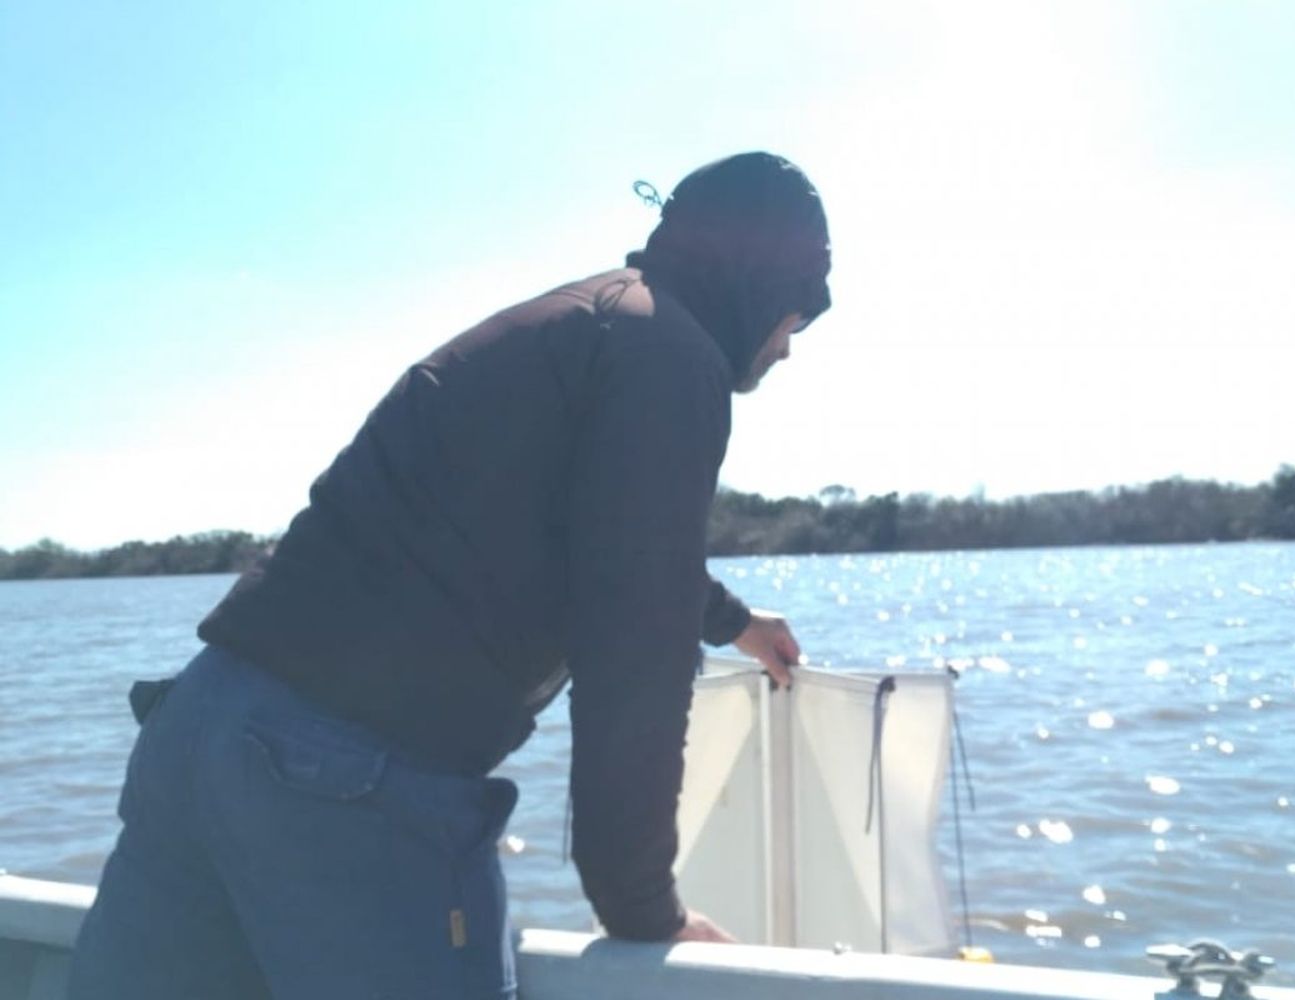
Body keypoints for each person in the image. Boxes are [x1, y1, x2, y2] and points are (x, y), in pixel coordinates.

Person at [67, 151, 833, 1000]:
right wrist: (644, 910)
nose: (789, 348)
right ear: (762, 282)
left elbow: (595, 553)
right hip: (341, 782)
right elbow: (634, 655)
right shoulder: (672, 358)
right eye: (797, 316)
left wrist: (731, 622)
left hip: (199, 732)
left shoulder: (585, 322)